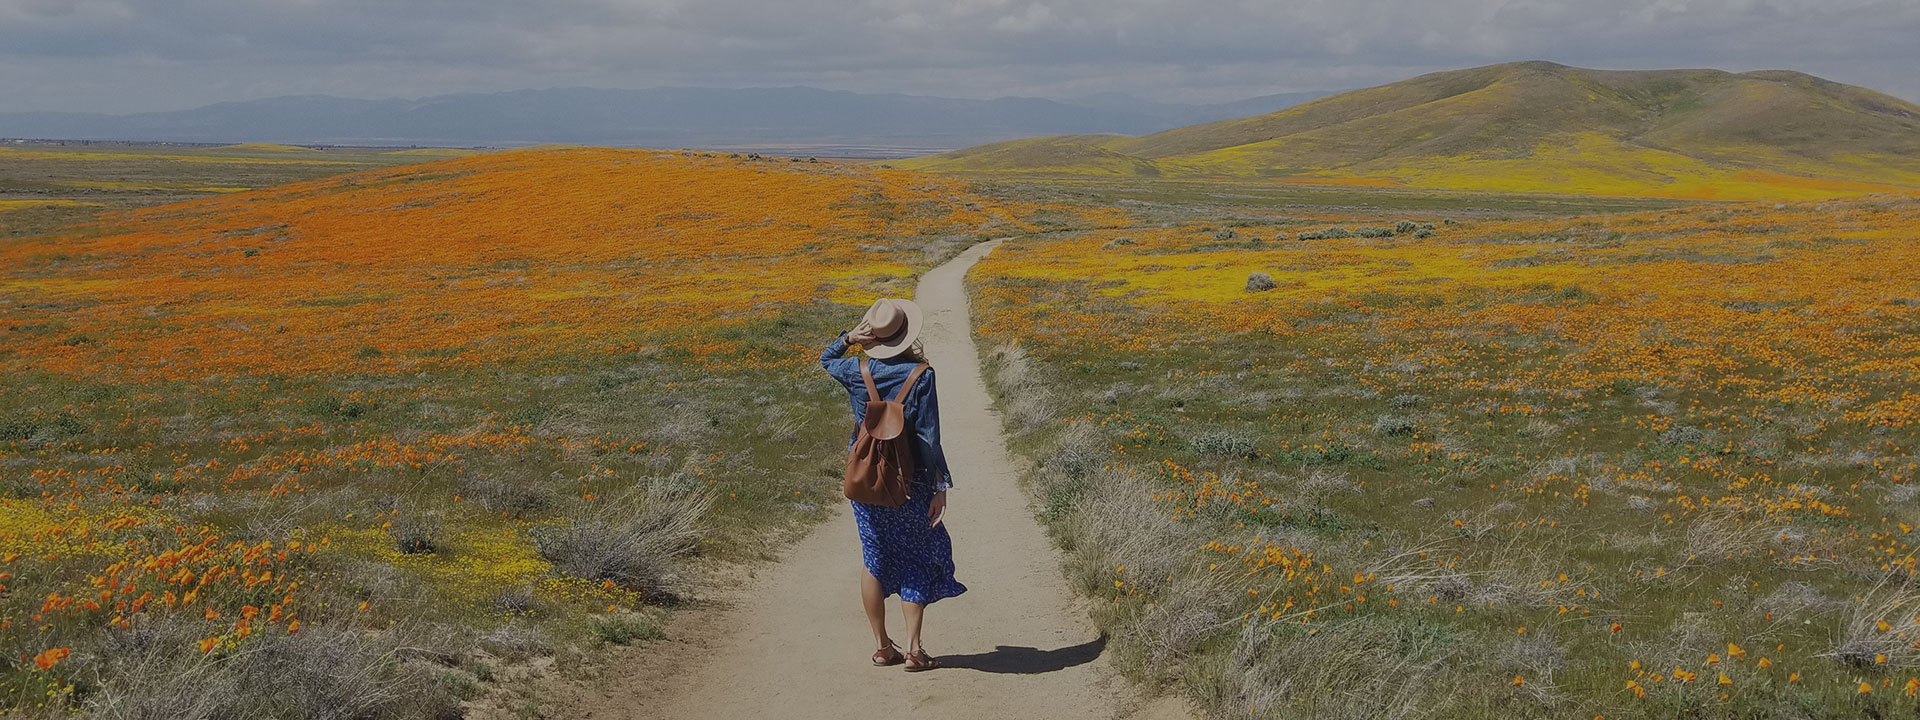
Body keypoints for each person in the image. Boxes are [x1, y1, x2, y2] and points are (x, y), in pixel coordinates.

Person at [819, 297, 967, 672]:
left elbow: (825, 359)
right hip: (910, 482)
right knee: (916, 556)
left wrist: (849, 338)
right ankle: (915, 650)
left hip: (866, 479)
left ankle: (883, 646)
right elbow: (928, 437)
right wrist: (940, 485)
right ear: (906, 335)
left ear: (873, 336)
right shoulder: (922, 375)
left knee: (875, 559)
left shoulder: (855, 370)